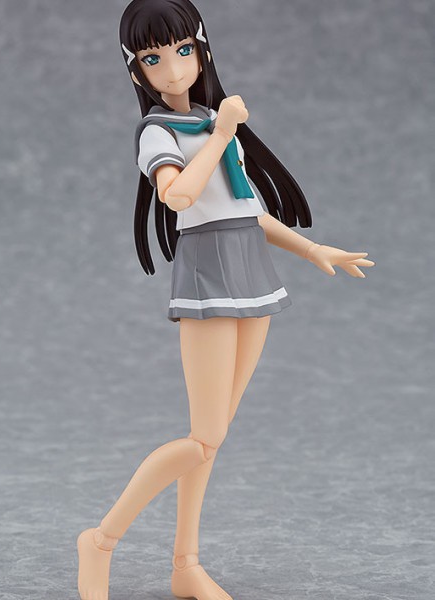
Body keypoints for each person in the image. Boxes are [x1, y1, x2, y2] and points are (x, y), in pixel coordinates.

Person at [77, 1, 375, 599]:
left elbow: (246, 209)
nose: (172, 68)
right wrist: (220, 135)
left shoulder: (214, 121)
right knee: (203, 438)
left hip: (252, 270)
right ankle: (101, 540)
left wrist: (311, 249)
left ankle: (185, 564)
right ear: (136, 69)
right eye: (154, 58)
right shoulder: (159, 132)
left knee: (210, 439)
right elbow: (180, 197)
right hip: (207, 274)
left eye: (183, 50)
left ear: (202, 49)